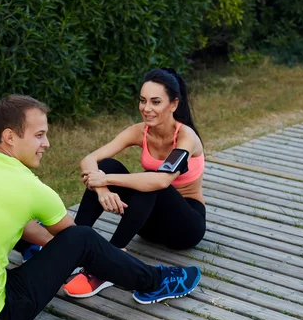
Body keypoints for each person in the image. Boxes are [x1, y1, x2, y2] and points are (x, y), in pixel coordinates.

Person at [0, 94, 201, 320]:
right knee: (83, 238)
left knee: (22, 229)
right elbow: (78, 243)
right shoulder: (29, 187)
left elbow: (33, 230)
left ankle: (34, 254)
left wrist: (54, 252)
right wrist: (72, 253)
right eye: (39, 135)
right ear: (9, 137)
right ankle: (156, 282)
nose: (47, 144)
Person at [64, 68, 206, 298]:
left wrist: (107, 179)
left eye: (155, 102)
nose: (146, 108)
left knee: (150, 183)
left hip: (186, 226)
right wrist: (101, 189)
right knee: (109, 164)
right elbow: (89, 159)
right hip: (148, 225)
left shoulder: (186, 137)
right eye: (142, 101)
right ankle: (71, 244)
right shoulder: (139, 131)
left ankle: (110, 262)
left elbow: (161, 180)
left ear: (173, 104)